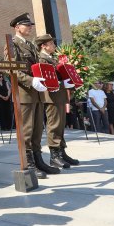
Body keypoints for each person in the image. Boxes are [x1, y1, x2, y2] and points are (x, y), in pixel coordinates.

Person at [9, 13, 57, 179]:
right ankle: (29, 163)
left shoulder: (29, 44)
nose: (30, 27)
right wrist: (31, 80)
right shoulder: (12, 43)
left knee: (37, 129)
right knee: (27, 130)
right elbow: (13, 69)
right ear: (17, 27)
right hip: (25, 94)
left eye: (30, 25)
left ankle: (38, 160)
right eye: (26, 25)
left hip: (36, 94)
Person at [36, 34, 79, 168]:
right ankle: (54, 156)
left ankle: (61, 152)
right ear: (44, 45)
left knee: (61, 124)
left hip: (59, 94)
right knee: (54, 125)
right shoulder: (41, 59)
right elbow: (46, 76)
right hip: (51, 95)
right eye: (51, 43)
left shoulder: (51, 58)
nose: (54, 46)